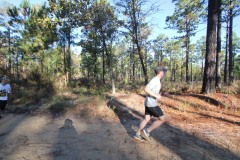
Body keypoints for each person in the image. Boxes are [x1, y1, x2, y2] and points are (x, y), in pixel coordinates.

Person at [134, 67, 167, 141]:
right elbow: (146, 89)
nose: (164, 73)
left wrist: (158, 94)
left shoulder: (157, 80)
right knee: (162, 119)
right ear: (160, 72)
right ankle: (147, 131)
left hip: (148, 102)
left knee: (146, 119)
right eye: (163, 71)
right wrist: (155, 96)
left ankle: (138, 134)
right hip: (152, 104)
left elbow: (151, 90)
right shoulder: (155, 80)